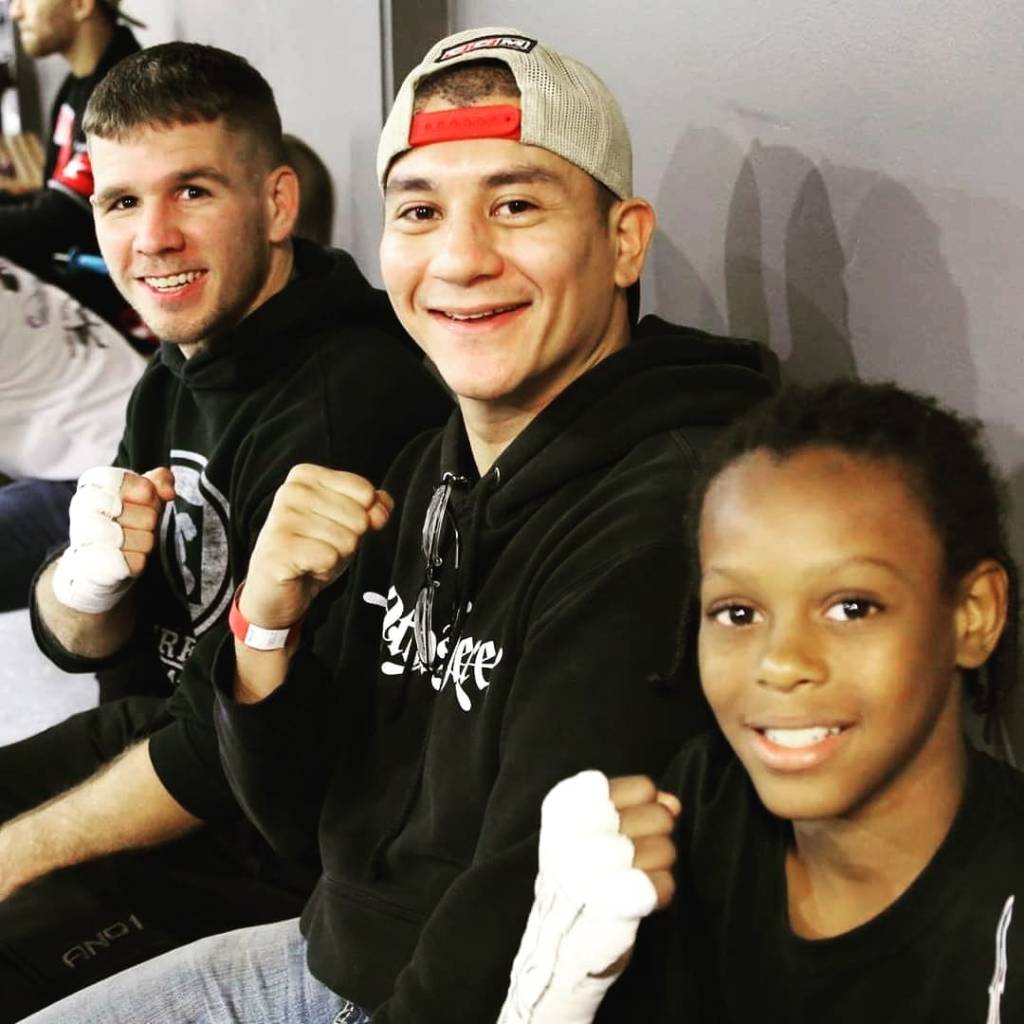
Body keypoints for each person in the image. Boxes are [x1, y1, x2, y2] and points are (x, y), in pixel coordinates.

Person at [15, 26, 777, 1024]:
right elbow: (300, 812)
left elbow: (516, 905)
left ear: (623, 239)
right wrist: (266, 623)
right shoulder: (427, 470)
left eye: (513, 204)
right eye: (420, 210)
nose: (460, 259)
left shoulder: (659, 515)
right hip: (328, 940)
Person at [0, 42, 450, 1021]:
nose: (152, 237)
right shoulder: (177, 365)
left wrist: (17, 852)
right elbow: (79, 645)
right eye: (121, 203)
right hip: (153, 752)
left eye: (192, 192)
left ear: (278, 204)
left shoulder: (346, 402)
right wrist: (85, 582)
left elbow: (229, 751)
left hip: (260, 844)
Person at [500, 379, 1023, 1023]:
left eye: (852, 607)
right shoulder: (698, 811)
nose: (780, 662)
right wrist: (554, 992)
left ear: (972, 615)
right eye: (738, 611)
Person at [0, 0, 145, 611]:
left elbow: (59, 220)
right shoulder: (71, 90)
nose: (15, 11)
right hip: (112, 408)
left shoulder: (123, 86)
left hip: (112, 462)